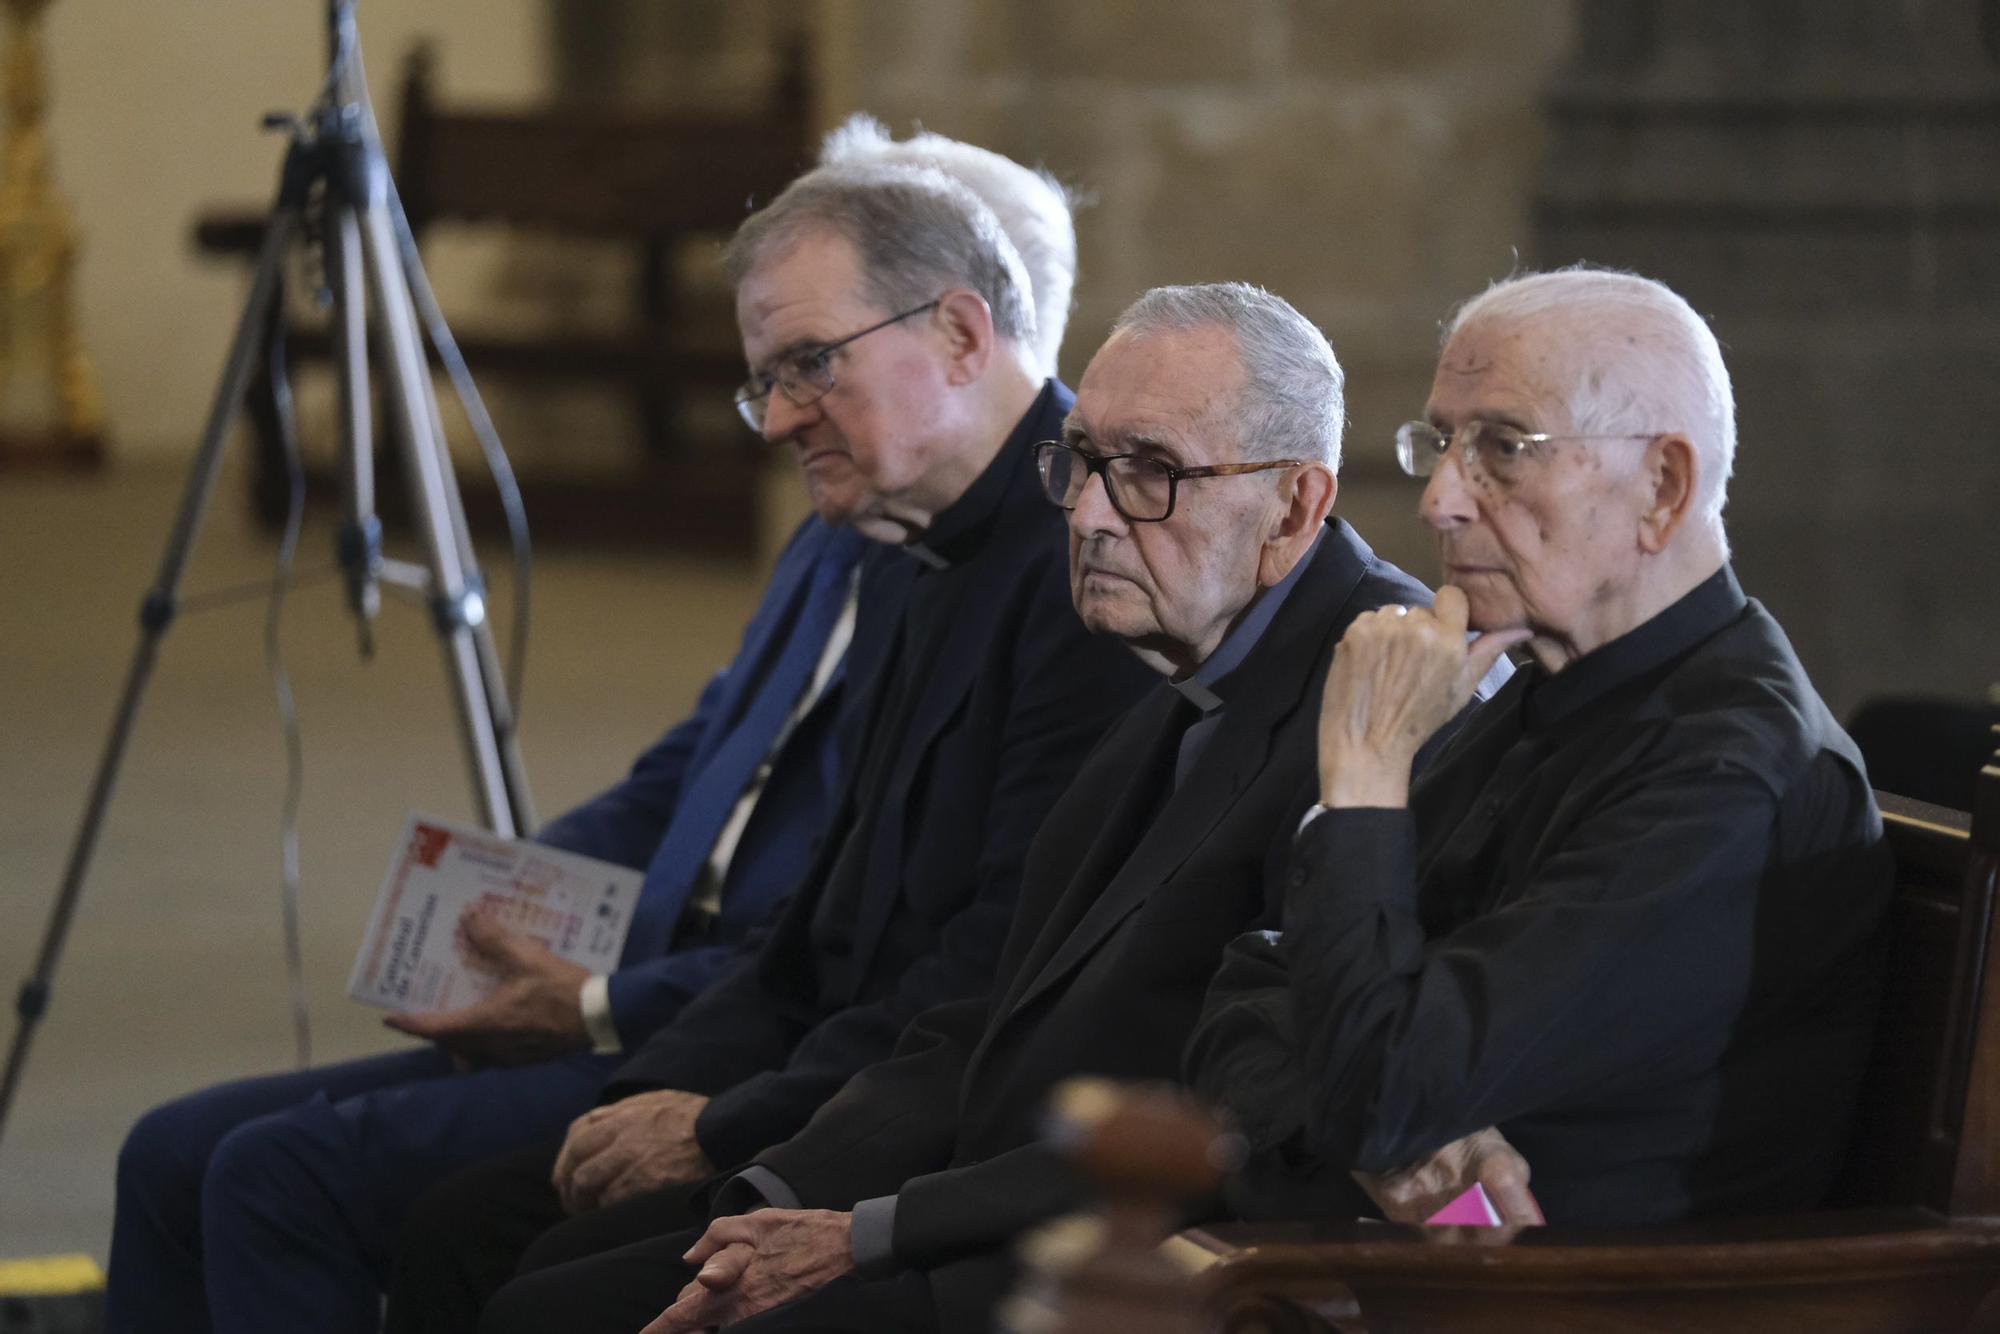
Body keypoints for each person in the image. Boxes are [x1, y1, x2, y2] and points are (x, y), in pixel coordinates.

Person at [110, 139, 1145, 1334]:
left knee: (412, 1228)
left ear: (964, 334)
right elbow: (815, 917)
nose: (776, 420)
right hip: (790, 1050)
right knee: (267, 1174)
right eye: (765, 380)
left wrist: (692, 1101)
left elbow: (986, 975)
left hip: (916, 1116)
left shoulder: (1079, 562)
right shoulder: (920, 540)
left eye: (810, 364)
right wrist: (652, 1071)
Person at [462, 282, 1494, 1334]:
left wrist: (866, 1229)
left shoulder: (1376, 697)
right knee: (537, 1267)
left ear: (1294, 505)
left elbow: (1219, 1116)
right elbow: (996, 1011)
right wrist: (777, 1188)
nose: (1089, 513)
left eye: (1147, 472)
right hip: (981, 1194)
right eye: (1082, 461)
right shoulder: (1184, 652)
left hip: (1124, 1259)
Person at [1185, 266, 1895, 1230]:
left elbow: (1384, 1092)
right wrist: (1376, 1135)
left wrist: (1363, 778)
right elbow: (1246, 995)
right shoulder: (1549, 691)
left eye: (1502, 448)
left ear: (1663, 485)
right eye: (1441, 444)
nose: (1441, 499)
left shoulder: (1729, 773)